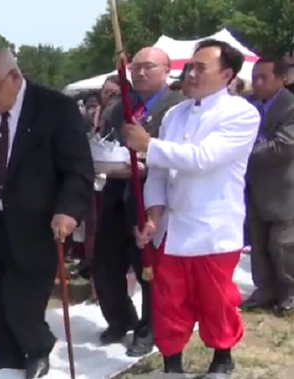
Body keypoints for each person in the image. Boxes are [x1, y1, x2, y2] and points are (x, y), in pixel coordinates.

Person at [127, 39, 260, 375]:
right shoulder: (175, 114)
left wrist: (149, 144)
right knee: (168, 301)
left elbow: (203, 159)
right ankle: (173, 361)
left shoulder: (241, 113)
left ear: (227, 74)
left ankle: (221, 356)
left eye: (201, 67)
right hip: (171, 230)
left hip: (211, 228)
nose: (191, 73)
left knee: (216, 301)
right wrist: (153, 212)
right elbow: (158, 170)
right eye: (190, 67)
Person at [0, 49, 94, 378]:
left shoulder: (55, 108)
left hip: (36, 223)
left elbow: (78, 169)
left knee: (23, 300)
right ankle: (6, 354)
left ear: (15, 77)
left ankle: (37, 349)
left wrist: (68, 210)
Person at [92, 46, 184, 357]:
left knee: (146, 266)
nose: (141, 73)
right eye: (136, 67)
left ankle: (149, 327)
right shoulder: (119, 107)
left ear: (166, 70)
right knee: (104, 261)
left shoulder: (178, 107)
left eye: (149, 67)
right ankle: (120, 318)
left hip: (152, 194)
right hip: (115, 190)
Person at [243, 57, 294, 315]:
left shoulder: (291, 106)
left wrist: (241, 150)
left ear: (282, 78)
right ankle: (265, 290)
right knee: (258, 243)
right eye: (255, 77)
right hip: (252, 187)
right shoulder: (247, 105)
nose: (257, 83)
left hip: (283, 188)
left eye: (264, 77)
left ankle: (289, 294)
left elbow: (284, 146)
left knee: (283, 245)